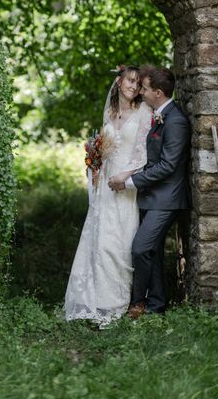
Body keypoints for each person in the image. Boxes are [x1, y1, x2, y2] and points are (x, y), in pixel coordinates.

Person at [64, 66, 152, 327]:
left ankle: (116, 302)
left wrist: (124, 178)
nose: (134, 87)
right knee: (99, 240)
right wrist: (94, 163)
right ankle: (95, 300)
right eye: (130, 81)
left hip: (126, 185)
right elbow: (104, 149)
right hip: (105, 185)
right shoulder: (110, 112)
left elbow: (143, 153)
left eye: (137, 84)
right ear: (119, 81)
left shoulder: (144, 112)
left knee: (119, 243)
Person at [108, 66, 190, 318]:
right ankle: (157, 305)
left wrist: (130, 182)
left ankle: (137, 302)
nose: (140, 92)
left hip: (166, 199)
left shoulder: (175, 120)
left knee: (141, 248)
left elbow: (167, 166)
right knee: (151, 252)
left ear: (158, 92)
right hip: (150, 196)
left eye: (144, 88)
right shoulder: (157, 113)